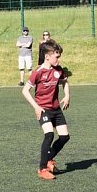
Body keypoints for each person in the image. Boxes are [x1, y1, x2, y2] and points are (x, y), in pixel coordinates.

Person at [22, 39, 70, 180]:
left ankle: (48, 160)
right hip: (44, 110)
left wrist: (67, 95)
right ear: (47, 56)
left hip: (56, 110)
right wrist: (36, 107)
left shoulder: (58, 70)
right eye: (57, 56)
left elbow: (64, 82)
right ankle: (42, 169)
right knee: (49, 135)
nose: (59, 59)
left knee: (64, 137)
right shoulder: (38, 72)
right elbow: (25, 91)